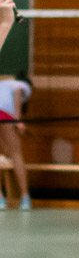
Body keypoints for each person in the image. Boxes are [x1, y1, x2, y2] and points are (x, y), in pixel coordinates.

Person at [0, 65, 32, 211]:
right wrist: (19, 122)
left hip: (4, 115)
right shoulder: (22, 87)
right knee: (16, 154)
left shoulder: (5, 83)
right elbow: (17, 99)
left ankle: (0, 199)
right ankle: (25, 197)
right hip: (5, 116)